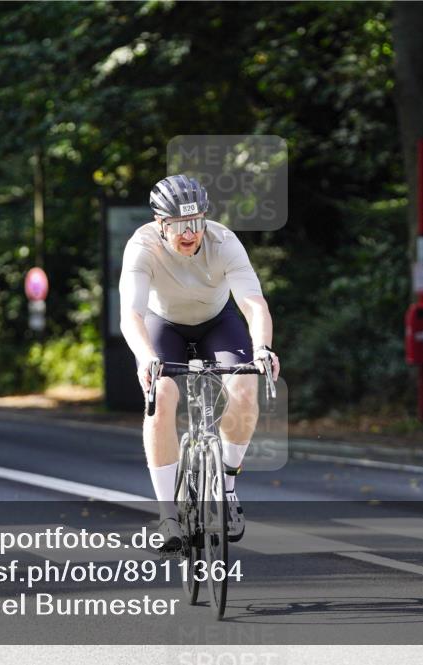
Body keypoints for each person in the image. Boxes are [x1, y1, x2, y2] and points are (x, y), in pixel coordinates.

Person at [118, 174, 279, 552]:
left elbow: (254, 304)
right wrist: (146, 359)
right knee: (161, 396)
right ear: (160, 223)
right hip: (164, 326)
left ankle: (225, 489)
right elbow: (131, 315)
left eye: (196, 223)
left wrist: (263, 349)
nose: (189, 233)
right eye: (178, 226)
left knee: (244, 386)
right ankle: (167, 514)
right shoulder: (141, 246)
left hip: (218, 322)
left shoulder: (224, 242)